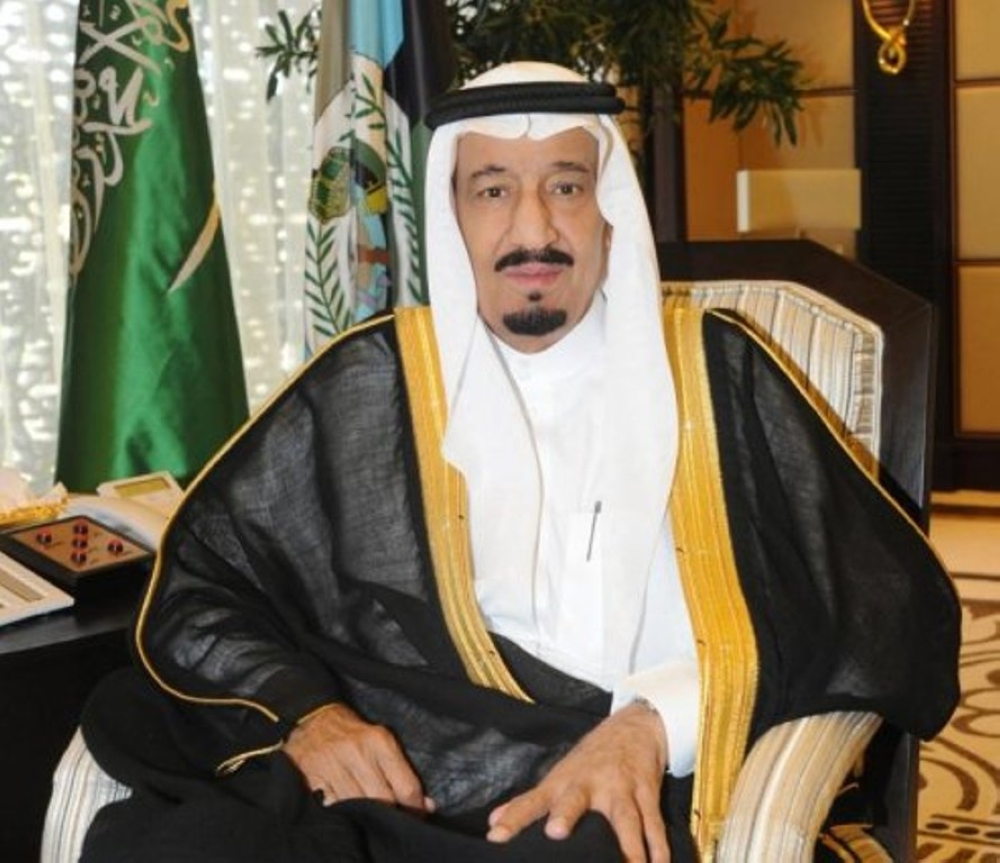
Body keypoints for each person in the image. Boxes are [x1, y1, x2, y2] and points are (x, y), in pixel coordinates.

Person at [78, 62, 959, 863]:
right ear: (452, 217)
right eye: (493, 190)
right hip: (390, 775)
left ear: (609, 211)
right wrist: (314, 717)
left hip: (601, 788)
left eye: (565, 186)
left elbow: (878, 603)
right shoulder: (375, 381)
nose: (532, 229)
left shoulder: (714, 372)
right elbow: (209, 583)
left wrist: (655, 721)